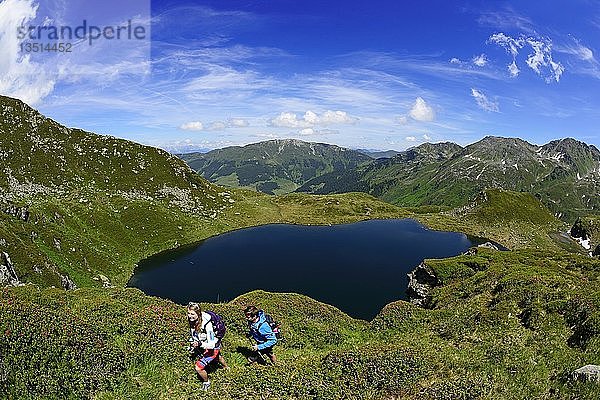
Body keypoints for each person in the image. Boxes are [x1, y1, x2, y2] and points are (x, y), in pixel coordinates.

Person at [187, 302, 228, 391]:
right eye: (189, 313)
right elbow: (194, 333)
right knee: (217, 357)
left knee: (199, 367)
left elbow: (212, 344)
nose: (190, 316)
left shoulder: (208, 325)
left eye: (192, 314)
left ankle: (206, 382)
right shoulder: (193, 320)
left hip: (213, 346)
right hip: (205, 344)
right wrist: (194, 341)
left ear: (198, 313)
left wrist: (200, 344)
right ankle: (226, 368)